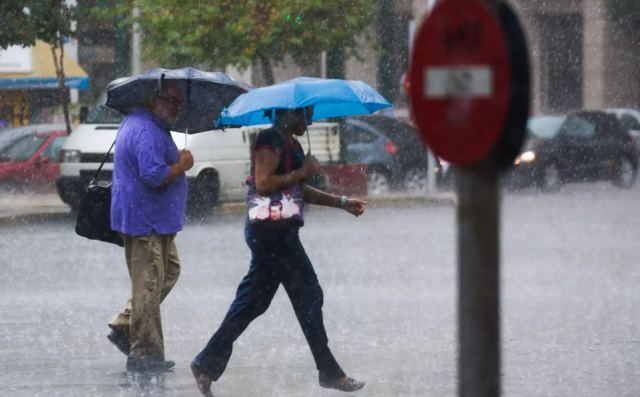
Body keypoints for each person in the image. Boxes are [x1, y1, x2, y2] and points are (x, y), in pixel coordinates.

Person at [190, 107, 367, 396]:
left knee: (252, 303)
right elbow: (263, 184)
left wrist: (341, 202)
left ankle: (206, 364)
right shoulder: (269, 140)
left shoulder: (291, 144)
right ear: (288, 113)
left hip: (278, 234)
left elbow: (299, 190)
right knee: (308, 296)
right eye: (304, 115)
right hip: (272, 236)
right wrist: (302, 171)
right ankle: (330, 372)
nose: (309, 121)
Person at [108, 79, 194, 372]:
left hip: (155, 219)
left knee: (167, 272)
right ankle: (144, 353)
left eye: (179, 102)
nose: (176, 107)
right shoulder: (145, 129)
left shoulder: (149, 123)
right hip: (145, 220)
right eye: (170, 100)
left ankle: (126, 324)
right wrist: (180, 166)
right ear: (152, 99)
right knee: (148, 284)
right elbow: (154, 176)